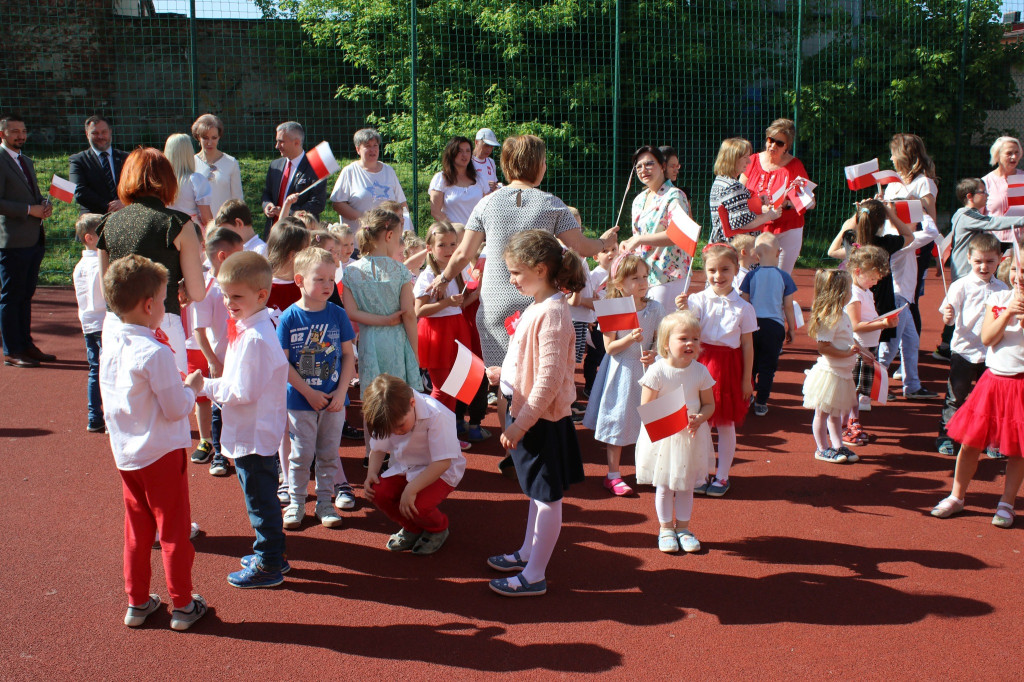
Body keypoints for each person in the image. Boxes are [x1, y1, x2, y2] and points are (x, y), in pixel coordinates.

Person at [430, 134, 616, 473]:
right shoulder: (551, 204)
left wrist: (442, 280)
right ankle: (534, 443)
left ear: (504, 165)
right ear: (540, 166)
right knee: (539, 374)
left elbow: (463, 253)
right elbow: (584, 248)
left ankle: (511, 450)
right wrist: (605, 240)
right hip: (537, 301)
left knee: (506, 381)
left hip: (496, 303)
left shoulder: (487, 203)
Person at [99, 254, 207, 631]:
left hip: (127, 454)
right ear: (149, 305)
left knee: (137, 531)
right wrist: (191, 388)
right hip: (161, 453)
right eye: (163, 300)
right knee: (174, 531)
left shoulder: (110, 343)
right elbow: (177, 408)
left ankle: (138, 601)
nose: (165, 306)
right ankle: (182, 604)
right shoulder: (155, 351)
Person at [485, 230, 587, 597]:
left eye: (515, 272)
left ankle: (535, 575)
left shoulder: (554, 314)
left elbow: (549, 379)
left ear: (541, 269)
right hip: (528, 413)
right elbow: (528, 361)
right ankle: (528, 553)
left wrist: (520, 426)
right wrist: (503, 375)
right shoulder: (538, 305)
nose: (511, 279)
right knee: (536, 493)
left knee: (546, 498)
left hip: (540, 420)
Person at [196, 251, 290, 588]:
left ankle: (268, 564)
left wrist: (204, 385)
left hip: (254, 434)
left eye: (236, 296)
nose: (227, 302)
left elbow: (241, 392)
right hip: (255, 432)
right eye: (224, 294)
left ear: (261, 295)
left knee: (260, 502)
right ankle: (274, 556)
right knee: (261, 497)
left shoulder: (254, 337)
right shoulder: (252, 328)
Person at [931, 245, 1024, 528]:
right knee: (970, 443)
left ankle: (1006, 504)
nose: (1020, 280)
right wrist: (1008, 312)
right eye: (1019, 273)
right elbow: (988, 338)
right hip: (994, 382)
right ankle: (956, 497)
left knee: (1019, 450)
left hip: (1021, 386)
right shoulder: (998, 298)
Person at [96, 147, 207, 374]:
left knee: (121, 401)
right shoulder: (178, 223)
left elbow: (105, 289)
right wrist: (183, 285)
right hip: (162, 319)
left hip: (118, 323)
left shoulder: (108, 223)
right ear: (168, 180)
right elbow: (197, 292)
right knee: (172, 402)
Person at [278, 247, 356, 531]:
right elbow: (283, 363)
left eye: (331, 279)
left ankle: (325, 502)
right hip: (301, 401)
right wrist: (308, 392)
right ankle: (297, 502)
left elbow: (348, 355)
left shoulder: (337, 314)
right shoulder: (289, 317)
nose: (327, 285)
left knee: (328, 453)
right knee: (300, 454)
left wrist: (341, 392)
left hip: (335, 402)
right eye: (319, 279)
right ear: (299, 279)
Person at [675, 243, 756, 496]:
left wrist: (746, 380)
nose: (718, 276)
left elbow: (747, 345)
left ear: (735, 271)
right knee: (699, 422)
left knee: (725, 424)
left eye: (724, 269)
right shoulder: (697, 300)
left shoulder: (744, 307)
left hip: (729, 369)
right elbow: (688, 328)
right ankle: (699, 473)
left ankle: (722, 476)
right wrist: (683, 310)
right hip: (701, 364)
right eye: (712, 270)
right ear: (704, 271)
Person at [582, 254, 663, 496]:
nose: (642, 282)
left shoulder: (655, 308)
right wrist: (629, 338)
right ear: (619, 283)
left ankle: (648, 469)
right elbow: (609, 348)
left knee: (651, 422)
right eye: (634, 278)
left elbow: (662, 339)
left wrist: (654, 352)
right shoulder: (614, 309)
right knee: (618, 421)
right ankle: (613, 474)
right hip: (622, 372)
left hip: (647, 372)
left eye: (645, 277)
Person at [635, 311, 715, 553]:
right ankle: (666, 528)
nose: (690, 343)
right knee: (664, 485)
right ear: (666, 343)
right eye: (683, 338)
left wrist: (700, 417)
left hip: (691, 436)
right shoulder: (657, 371)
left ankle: (683, 528)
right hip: (664, 437)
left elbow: (709, 404)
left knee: (686, 485)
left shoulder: (700, 372)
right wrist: (671, 417)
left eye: (696, 339)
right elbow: (647, 408)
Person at [363, 374, 467, 555]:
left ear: (412, 404)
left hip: (440, 470)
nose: (395, 432)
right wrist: (372, 472)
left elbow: (442, 462)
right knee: (378, 493)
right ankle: (412, 527)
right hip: (408, 466)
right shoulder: (388, 415)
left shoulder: (437, 415)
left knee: (418, 505)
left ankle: (438, 528)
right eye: (391, 429)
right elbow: (378, 448)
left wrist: (410, 490)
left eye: (400, 426)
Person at [879, 133, 940, 399]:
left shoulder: (924, 182)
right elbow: (885, 218)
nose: (890, 157)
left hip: (911, 247)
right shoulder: (892, 183)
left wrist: (912, 242)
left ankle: (910, 384)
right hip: (894, 246)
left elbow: (929, 218)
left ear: (903, 155)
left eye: (893, 153)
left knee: (906, 315)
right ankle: (874, 379)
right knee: (899, 318)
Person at [936, 233, 1007, 456]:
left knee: (992, 402)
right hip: (963, 353)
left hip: (992, 354)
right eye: (978, 261)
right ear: (968, 259)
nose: (984, 266)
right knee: (956, 397)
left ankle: (992, 441)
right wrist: (948, 316)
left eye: (989, 261)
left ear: (1000, 260)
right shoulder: (961, 286)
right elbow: (948, 319)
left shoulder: (1003, 289)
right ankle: (946, 437)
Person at [343, 207, 422, 397]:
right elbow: (409, 315)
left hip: (369, 340)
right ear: (389, 236)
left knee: (372, 396)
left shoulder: (351, 271)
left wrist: (381, 321)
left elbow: (351, 312)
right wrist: (415, 353)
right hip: (396, 341)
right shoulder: (400, 271)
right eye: (398, 238)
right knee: (396, 396)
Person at [186, 227, 244, 473]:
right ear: (222, 256)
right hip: (221, 361)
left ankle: (243, 451)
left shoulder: (242, 283)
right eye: (238, 254)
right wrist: (213, 361)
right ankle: (219, 454)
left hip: (242, 358)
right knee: (219, 408)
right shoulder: (207, 289)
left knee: (241, 404)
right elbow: (199, 331)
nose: (243, 258)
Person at [0, 114, 54, 368]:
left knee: (25, 295)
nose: (20, 135)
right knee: (11, 297)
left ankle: (26, 344)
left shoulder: (26, 161)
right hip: (11, 241)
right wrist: (27, 210)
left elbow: (34, 195)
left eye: (23, 130)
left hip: (33, 238)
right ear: (3, 134)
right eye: (14, 132)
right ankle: (12, 350)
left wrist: (43, 204)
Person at [620, 145, 700, 310]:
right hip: (643, 277)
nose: (644, 170)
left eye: (649, 164)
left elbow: (678, 234)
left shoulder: (675, 195)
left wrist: (639, 239)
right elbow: (640, 235)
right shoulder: (639, 200)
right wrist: (628, 243)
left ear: (662, 166)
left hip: (669, 276)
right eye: (639, 166)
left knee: (663, 331)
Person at [414, 221, 476, 413]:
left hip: (457, 331)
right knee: (442, 390)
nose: (449, 249)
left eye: (452, 244)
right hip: (437, 334)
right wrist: (447, 302)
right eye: (442, 245)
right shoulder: (427, 276)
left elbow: (458, 306)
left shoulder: (457, 272)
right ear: (429, 248)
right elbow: (419, 310)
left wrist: (474, 292)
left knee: (457, 389)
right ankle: (433, 429)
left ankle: (449, 434)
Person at [802, 269, 860, 464]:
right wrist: (846, 353)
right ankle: (822, 448)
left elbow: (843, 341)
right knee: (823, 413)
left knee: (836, 414)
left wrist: (855, 351)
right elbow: (823, 347)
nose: (852, 292)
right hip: (831, 373)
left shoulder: (842, 315)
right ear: (839, 293)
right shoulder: (830, 317)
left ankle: (837, 445)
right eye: (849, 289)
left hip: (842, 373)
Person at [741, 119, 814, 273]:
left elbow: (810, 201)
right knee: (751, 277)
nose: (773, 146)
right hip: (756, 227)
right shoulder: (753, 160)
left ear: (786, 146)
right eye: (770, 140)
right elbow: (740, 192)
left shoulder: (795, 166)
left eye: (779, 143)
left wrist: (788, 204)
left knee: (780, 277)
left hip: (787, 230)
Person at [842, 245, 896, 447]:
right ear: (858, 271)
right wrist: (884, 323)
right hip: (858, 349)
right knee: (852, 390)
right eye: (873, 277)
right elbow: (855, 325)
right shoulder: (854, 294)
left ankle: (850, 422)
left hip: (867, 348)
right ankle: (849, 424)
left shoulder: (865, 291)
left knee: (857, 390)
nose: (876, 282)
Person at [740, 232, 797, 416]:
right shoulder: (784, 277)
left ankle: (747, 395)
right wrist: (792, 329)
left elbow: (744, 303)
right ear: (779, 252)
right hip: (774, 327)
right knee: (768, 366)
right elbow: (788, 306)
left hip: (752, 326)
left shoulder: (750, 276)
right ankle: (761, 401)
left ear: (756, 254)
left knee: (750, 363)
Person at [330, 128, 408, 229]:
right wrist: (366, 219)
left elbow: (402, 204)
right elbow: (338, 205)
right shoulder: (349, 171)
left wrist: (406, 227)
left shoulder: (389, 171)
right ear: (358, 149)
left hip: (389, 238)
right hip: (358, 239)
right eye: (367, 146)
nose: (373, 150)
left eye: (375, 145)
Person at [947, 178, 1024, 281]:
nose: (987, 195)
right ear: (969, 196)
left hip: (969, 271)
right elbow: (993, 222)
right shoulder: (966, 215)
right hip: (965, 273)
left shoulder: (969, 214)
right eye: (983, 192)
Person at [708, 137, 781, 244]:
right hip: (735, 249)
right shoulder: (733, 187)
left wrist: (757, 201)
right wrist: (769, 215)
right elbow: (741, 222)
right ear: (733, 159)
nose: (749, 161)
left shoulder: (721, 180)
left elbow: (735, 208)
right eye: (745, 157)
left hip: (722, 245)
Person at [260, 121, 327, 236]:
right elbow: (267, 193)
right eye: (277, 141)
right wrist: (267, 205)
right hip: (274, 232)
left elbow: (317, 203)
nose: (277, 146)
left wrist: (287, 211)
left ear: (296, 142)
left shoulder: (316, 166)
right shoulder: (275, 165)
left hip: (300, 233)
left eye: (281, 142)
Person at [73, 213, 106, 432]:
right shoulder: (97, 266)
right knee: (104, 370)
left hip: (89, 323)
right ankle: (102, 415)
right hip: (101, 323)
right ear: (89, 238)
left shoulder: (80, 266)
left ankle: (94, 416)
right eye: (100, 232)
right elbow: (100, 298)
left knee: (95, 369)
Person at [69, 114, 128, 215]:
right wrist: (110, 207)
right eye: (95, 133)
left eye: (104, 132)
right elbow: (79, 192)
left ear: (110, 132)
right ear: (87, 134)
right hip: (94, 219)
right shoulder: (78, 161)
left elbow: (138, 186)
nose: (100, 136)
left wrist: (125, 202)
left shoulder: (127, 158)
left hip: (125, 215)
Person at [191, 113, 244, 216]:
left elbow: (237, 199)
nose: (209, 142)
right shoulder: (191, 162)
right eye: (205, 138)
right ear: (198, 137)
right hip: (199, 225)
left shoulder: (231, 162)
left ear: (219, 136)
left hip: (224, 224)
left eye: (214, 137)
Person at [429, 136, 488, 225]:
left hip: (477, 235)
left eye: (468, 151)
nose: (464, 155)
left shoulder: (480, 178)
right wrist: (454, 230)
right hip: (452, 235)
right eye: (460, 151)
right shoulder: (441, 179)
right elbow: (435, 212)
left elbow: (487, 209)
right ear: (452, 153)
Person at [582, 240, 616, 397]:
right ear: (595, 256)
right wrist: (589, 318)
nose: (610, 253)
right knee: (596, 356)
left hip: (612, 320)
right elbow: (587, 297)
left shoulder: (618, 272)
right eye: (605, 251)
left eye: (613, 249)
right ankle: (590, 386)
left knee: (608, 355)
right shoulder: (594, 275)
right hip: (596, 322)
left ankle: (603, 385)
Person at [164, 133, 213, 228]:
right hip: (192, 229)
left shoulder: (160, 181)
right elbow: (207, 218)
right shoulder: (196, 180)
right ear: (189, 152)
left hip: (167, 229)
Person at [982, 136, 1024, 217]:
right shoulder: (986, 182)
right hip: (993, 229)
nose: (1014, 157)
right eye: (1009, 153)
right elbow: (978, 216)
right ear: (997, 155)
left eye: (1017, 152)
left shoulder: (1022, 178)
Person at [473, 128, 501, 194]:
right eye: (486, 145)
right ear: (476, 142)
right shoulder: (467, 162)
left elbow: (494, 184)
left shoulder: (491, 162)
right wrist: (484, 185)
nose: (489, 150)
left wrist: (497, 186)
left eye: (491, 147)